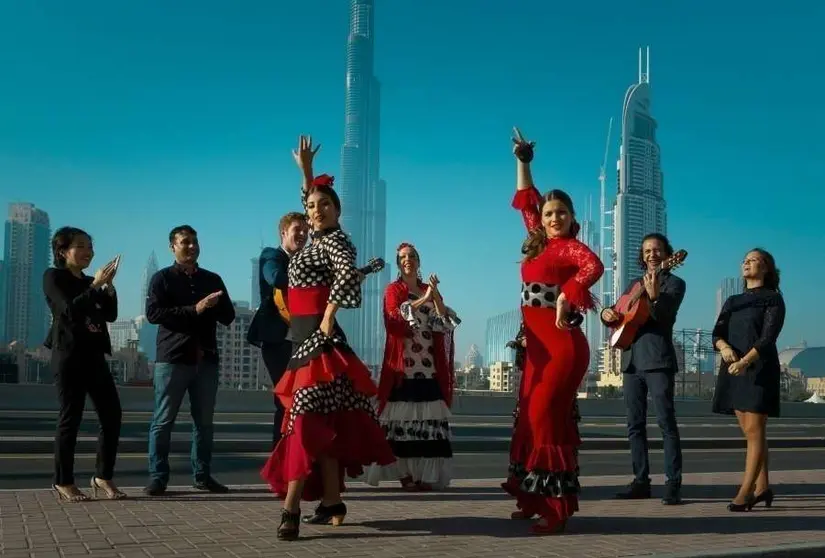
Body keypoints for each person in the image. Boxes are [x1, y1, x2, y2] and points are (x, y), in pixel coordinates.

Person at [261, 135, 394, 541]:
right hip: (302, 341)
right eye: (312, 207)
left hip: (322, 343)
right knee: (323, 425)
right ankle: (332, 500)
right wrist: (304, 170)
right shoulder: (315, 239)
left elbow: (343, 280)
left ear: (338, 210)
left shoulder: (338, 241)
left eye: (325, 206)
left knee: (302, 423)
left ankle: (291, 510)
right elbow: (309, 197)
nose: (316, 211)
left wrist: (327, 320)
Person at [502, 128, 604, 535]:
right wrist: (523, 160)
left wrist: (568, 294)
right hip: (537, 351)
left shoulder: (569, 248)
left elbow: (593, 267)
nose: (553, 217)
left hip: (562, 348)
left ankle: (555, 509)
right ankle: (531, 498)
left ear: (572, 218)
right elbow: (526, 198)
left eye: (561, 212)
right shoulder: (538, 241)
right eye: (548, 213)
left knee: (545, 420)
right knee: (528, 420)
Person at [144, 225, 236, 496]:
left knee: (204, 423)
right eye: (185, 242)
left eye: (195, 242)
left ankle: (203, 475)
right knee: (163, 421)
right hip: (173, 359)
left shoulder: (212, 279)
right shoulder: (162, 279)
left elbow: (228, 316)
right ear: (173, 247)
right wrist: (194, 309)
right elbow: (153, 313)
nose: (192, 247)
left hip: (206, 360)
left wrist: (214, 304)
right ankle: (158, 477)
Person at [600, 233, 686, 505]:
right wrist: (606, 313)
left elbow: (664, 317)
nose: (652, 254)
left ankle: (673, 484)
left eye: (657, 250)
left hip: (658, 360)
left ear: (667, 255)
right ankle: (641, 481)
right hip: (631, 361)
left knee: (665, 423)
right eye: (647, 250)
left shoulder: (675, 283)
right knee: (634, 425)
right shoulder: (634, 283)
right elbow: (617, 312)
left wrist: (654, 297)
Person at [367, 242, 460, 491]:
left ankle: (423, 476)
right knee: (401, 426)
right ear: (398, 264)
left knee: (428, 427)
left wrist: (435, 295)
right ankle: (405, 475)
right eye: (403, 257)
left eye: (411, 256)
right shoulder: (393, 290)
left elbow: (444, 323)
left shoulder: (426, 290)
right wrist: (423, 300)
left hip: (429, 366)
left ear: (418, 262)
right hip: (403, 367)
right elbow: (394, 318)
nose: (407, 260)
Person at [43, 227, 125, 502]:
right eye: (81, 246)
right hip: (68, 354)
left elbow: (110, 315)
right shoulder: (54, 277)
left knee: (112, 415)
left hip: (95, 355)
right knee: (71, 417)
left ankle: (103, 475)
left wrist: (108, 286)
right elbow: (67, 310)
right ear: (63, 251)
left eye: (90, 246)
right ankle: (63, 481)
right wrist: (94, 286)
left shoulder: (93, 281)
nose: (88, 251)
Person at [711, 248, 785, 511]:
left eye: (753, 260)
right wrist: (724, 348)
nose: (746, 263)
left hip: (758, 368)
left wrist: (745, 361)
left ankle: (746, 493)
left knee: (755, 431)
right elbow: (717, 332)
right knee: (751, 432)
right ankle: (763, 487)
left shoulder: (773, 300)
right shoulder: (732, 300)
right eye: (744, 260)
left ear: (766, 268)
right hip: (732, 368)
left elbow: (767, 338)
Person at [247, 212, 309, 448]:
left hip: (303, 339)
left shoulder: (306, 258)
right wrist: (310, 276)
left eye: (306, 230)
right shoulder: (271, 256)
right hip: (277, 340)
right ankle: (281, 456)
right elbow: (275, 278)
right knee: (286, 399)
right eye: (297, 229)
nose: (302, 234)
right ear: (284, 232)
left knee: (304, 401)